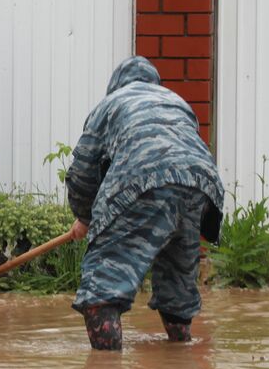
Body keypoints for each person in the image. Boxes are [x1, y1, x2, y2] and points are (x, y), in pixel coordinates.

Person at [64, 56, 224, 351]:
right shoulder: (177, 102)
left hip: (144, 176)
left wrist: (84, 216)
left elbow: (84, 169)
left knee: (103, 285)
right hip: (200, 185)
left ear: (115, 85)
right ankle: (180, 359)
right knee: (179, 279)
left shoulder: (111, 104)